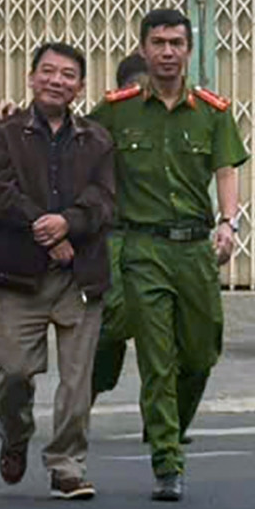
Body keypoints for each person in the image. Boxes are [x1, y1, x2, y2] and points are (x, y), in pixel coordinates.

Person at [89, 9, 246, 502]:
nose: (167, 52)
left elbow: (225, 169)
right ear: (142, 49)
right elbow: (77, 150)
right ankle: (166, 460)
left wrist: (228, 222)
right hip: (142, 247)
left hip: (195, 247)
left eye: (177, 42)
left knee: (201, 353)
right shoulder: (117, 110)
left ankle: (171, 426)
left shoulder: (213, 112)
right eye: (158, 42)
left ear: (189, 50)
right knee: (158, 357)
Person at [0, 42, 117, 501]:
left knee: (78, 380)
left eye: (67, 75)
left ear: (80, 87)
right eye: (47, 71)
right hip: (21, 275)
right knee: (14, 372)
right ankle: (15, 435)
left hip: (80, 276)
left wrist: (70, 224)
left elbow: (104, 198)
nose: (56, 81)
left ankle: (67, 465)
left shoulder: (96, 139)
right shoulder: (4, 133)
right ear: (31, 77)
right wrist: (46, 230)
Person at [90, 51, 148, 407]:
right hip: (115, 232)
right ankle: (89, 393)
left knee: (163, 330)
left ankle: (160, 417)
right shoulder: (106, 120)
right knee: (113, 318)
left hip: (160, 236)